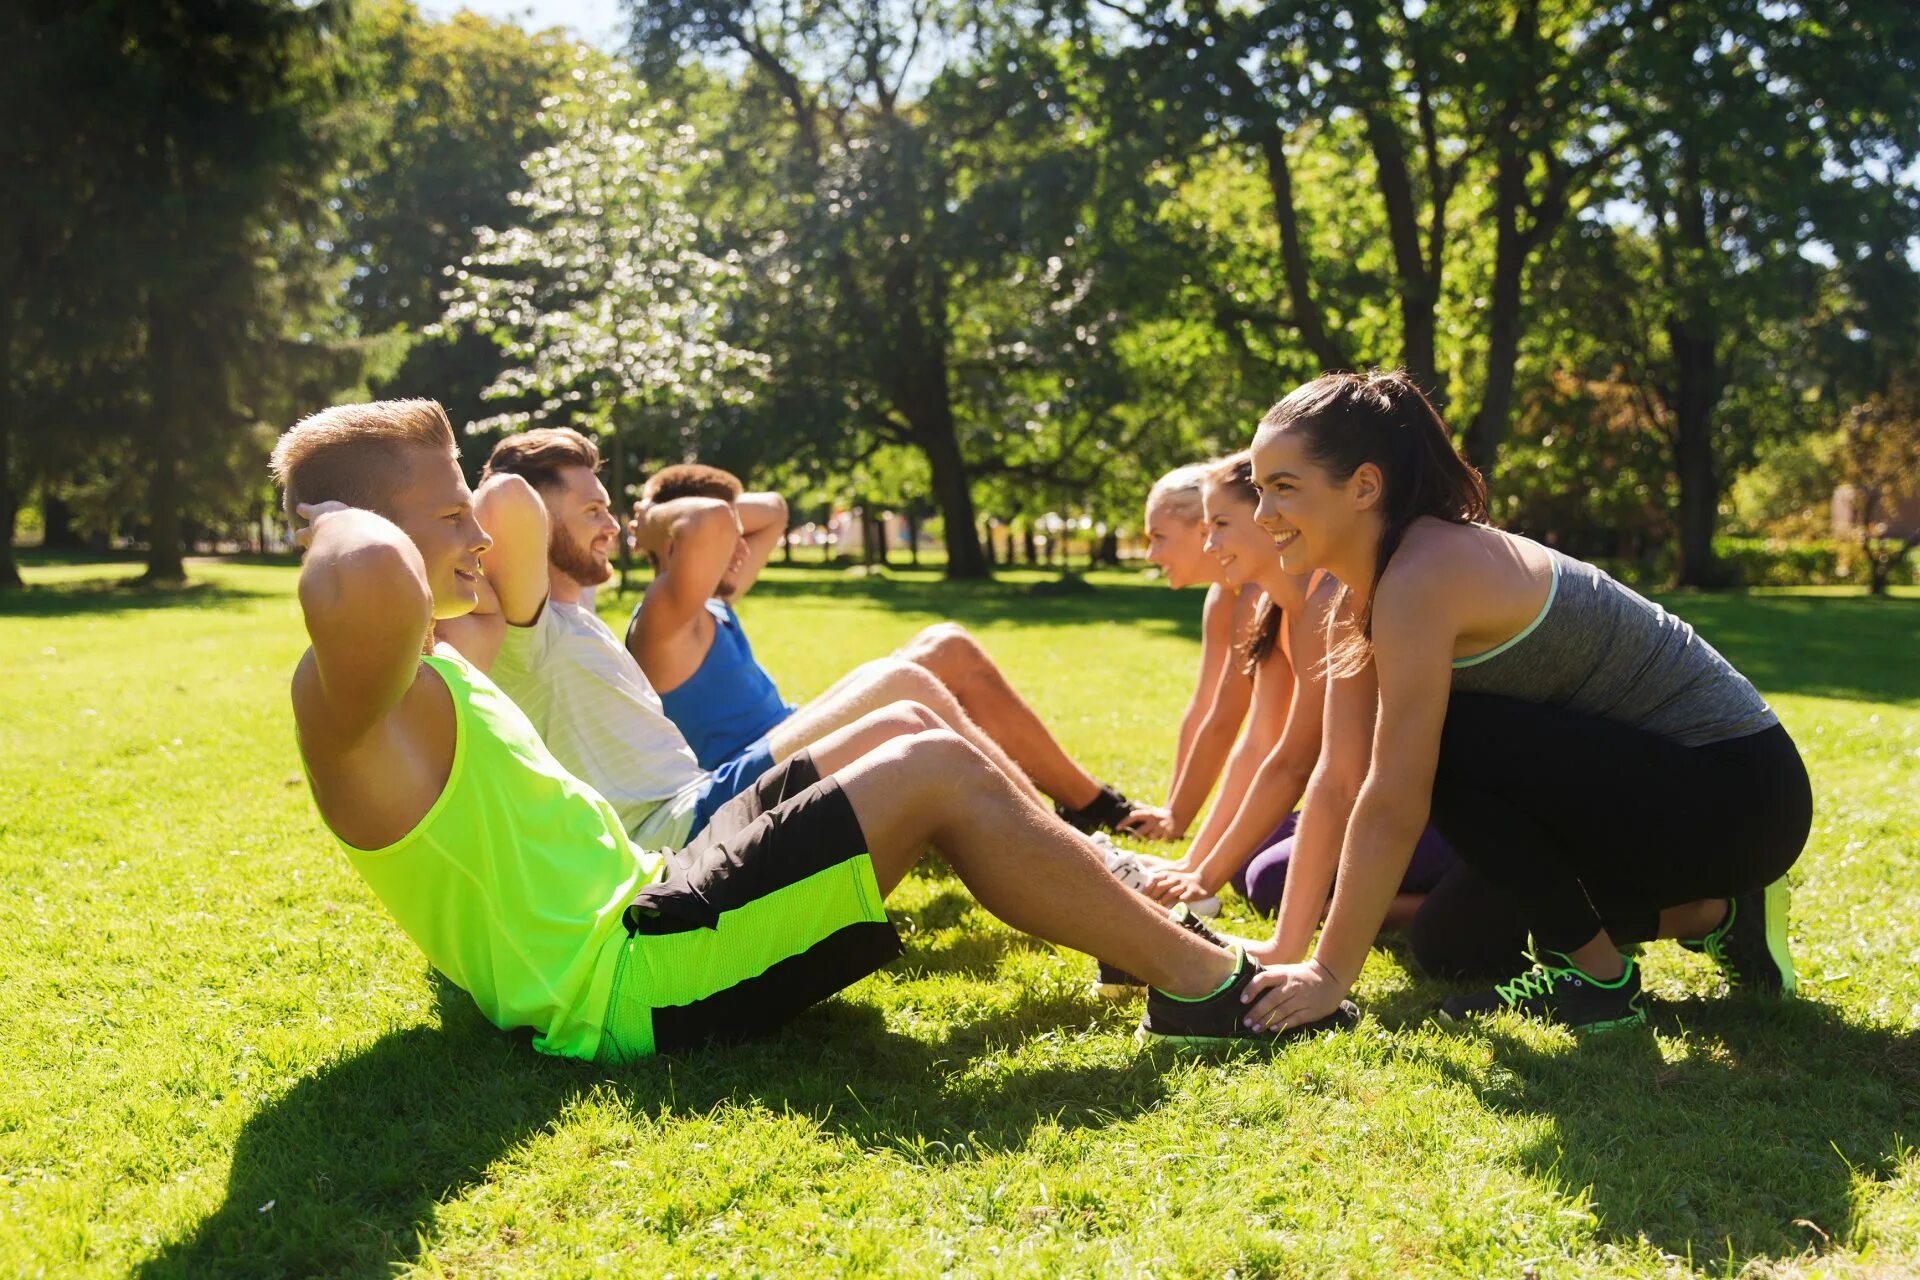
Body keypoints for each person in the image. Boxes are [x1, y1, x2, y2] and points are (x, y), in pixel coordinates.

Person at [269, 399, 1351, 1061]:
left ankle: (1149, 942)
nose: (474, 534)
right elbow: (364, 570)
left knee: (916, 732)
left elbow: (487, 510)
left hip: (654, 897)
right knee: (928, 762)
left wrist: (436, 498)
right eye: (443, 515)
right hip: (628, 981)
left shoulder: (432, 668)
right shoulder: (349, 704)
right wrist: (327, 508)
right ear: (369, 530)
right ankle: (1207, 989)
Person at [1235, 371, 1810, 1036]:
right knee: (1450, 945)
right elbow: (1338, 781)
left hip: (1739, 797)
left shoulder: (1424, 574)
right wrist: (1289, 950)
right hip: (1642, 798)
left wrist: (1331, 977)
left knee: (1442, 741)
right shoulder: (1354, 597)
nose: (1262, 515)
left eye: (1284, 488)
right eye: (1258, 488)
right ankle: (1719, 915)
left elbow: (1393, 794)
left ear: (1365, 486)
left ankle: (1601, 985)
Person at [626, 463, 1146, 834]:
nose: (744, 545)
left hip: (799, 736)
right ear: (678, 540)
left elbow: (776, 511)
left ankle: (1089, 806)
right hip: (768, 777)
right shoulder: (666, 622)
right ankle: (1072, 835)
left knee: (945, 646)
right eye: (729, 536)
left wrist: (676, 515)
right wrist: (655, 516)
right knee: (925, 667)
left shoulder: (717, 600)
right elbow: (709, 523)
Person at [1132, 455, 1458, 922]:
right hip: (1370, 804)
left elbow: (1295, 763)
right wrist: (1195, 864)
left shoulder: (1330, 599)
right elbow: (1259, 743)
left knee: (1268, 880)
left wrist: (1201, 878)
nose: (1210, 546)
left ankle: (1450, 905)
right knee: (1247, 856)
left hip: (1433, 811)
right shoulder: (1270, 608)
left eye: (1220, 525)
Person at [432, 428, 787, 850]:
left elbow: (769, 510)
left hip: (701, 799)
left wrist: (583, 520)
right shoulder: (531, 632)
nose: (614, 527)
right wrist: (653, 520)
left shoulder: (576, 611)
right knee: (888, 703)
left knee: (888, 685)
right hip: (677, 834)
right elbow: (506, 495)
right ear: (542, 520)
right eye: (594, 510)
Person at [1118, 463, 1262, 843]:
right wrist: (1171, 811)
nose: (1150, 554)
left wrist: (1177, 818)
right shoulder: (1222, 597)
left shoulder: (1256, 592)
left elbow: (1226, 717)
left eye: (1159, 537)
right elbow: (1202, 707)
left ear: (1203, 531)